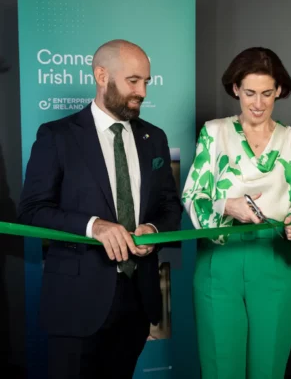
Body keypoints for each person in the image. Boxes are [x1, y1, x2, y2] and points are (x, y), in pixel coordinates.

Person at [18, 39, 182, 378]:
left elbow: (169, 206)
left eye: (146, 82)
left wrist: (154, 231)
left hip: (138, 300)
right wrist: (94, 226)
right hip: (76, 304)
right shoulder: (57, 136)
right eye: (133, 81)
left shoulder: (156, 137)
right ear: (102, 75)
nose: (142, 93)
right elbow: (33, 210)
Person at [182, 47, 291, 379]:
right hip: (220, 258)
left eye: (267, 93)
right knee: (220, 368)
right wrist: (227, 206)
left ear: (279, 91)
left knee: (268, 369)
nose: (258, 103)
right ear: (235, 90)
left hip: (273, 260)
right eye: (250, 93)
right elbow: (192, 195)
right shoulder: (213, 132)